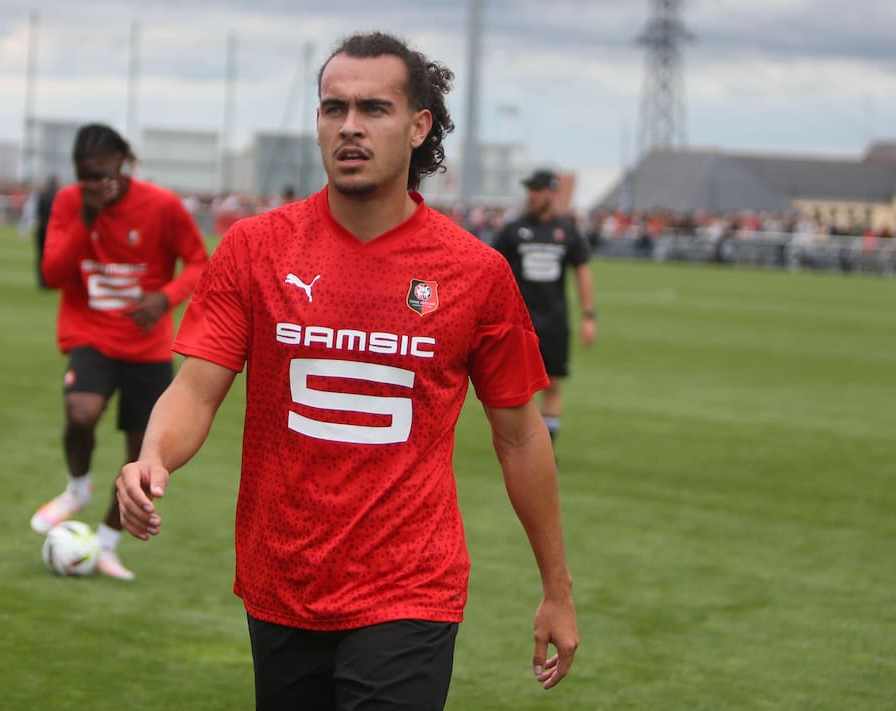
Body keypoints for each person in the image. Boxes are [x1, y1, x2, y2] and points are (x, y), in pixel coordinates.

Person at [116, 31, 578, 709]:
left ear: (419, 126)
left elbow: (520, 435)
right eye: (334, 108)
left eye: (374, 109)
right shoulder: (255, 248)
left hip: (410, 585)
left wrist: (557, 588)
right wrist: (152, 457)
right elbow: (196, 388)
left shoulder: (475, 272)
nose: (350, 126)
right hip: (282, 576)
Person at [29, 123, 208, 581]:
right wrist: (86, 218)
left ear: (122, 163)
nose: (93, 184)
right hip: (91, 334)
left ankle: (105, 543)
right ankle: (77, 488)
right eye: (84, 176)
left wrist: (164, 298)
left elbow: (199, 261)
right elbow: (52, 274)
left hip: (147, 346)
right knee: (81, 411)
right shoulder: (70, 202)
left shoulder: (161, 205)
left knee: (142, 456)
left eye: (101, 174)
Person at [493, 169, 597, 447]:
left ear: (552, 193)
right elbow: (493, 268)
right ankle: (520, 445)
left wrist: (589, 316)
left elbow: (582, 271)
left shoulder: (567, 231)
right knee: (516, 389)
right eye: (530, 190)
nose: (531, 195)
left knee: (553, 385)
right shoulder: (514, 230)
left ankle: (547, 450)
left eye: (537, 190)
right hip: (519, 322)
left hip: (554, 322)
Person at [34, 175, 60, 288]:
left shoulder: (42, 194)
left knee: (40, 255)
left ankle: (42, 281)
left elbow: (38, 210)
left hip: (41, 227)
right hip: (52, 228)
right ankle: (50, 280)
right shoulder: (58, 194)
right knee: (51, 255)